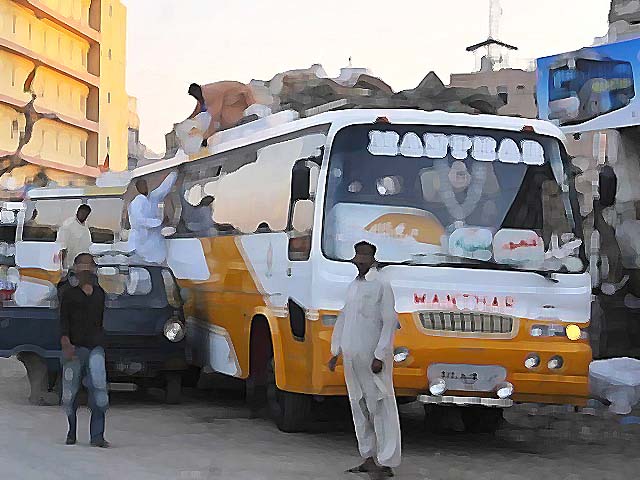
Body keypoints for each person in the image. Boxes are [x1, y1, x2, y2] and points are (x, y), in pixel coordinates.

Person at [328, 241, 401, 479]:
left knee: (379, 406)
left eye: (364, 258)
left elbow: (389, 322)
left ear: (372, 260)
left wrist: (380, 355)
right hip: (352, 356)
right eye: (357, 258)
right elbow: (343, 318)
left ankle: (385, 461)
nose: (360, 262)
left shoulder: (381, 285)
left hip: (372, 359)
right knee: (358, 405)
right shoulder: (353, 286)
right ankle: (368, 457)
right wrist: (335, 351)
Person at [60, 253, 109, 447]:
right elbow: (63, 321)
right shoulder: (68, 294)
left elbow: (100, 322)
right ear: (75, 269)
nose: (86, 269)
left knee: (100, 392)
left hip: (96, 348)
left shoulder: (99, 294)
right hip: (74, 348)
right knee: (69, 395)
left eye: (89, 265)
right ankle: (71, 432)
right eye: (82, 265)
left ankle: (97, 437)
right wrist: (66, 344)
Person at [128, 172, 178, 264]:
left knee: (158, 268)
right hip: (143, 245)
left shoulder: (153, 197)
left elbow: (164, 188)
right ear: (137, 188)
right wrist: (159, 222)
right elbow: (139, 221)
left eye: (144, 185)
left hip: (155, 244)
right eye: (141, 186)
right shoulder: (136, 202)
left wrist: (174, 173)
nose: (144, 188)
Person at [187, 81, 257, 146]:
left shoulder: (211, 93)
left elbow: (215, 118)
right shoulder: (202, 95)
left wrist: (206, 138)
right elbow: (196, 111)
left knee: (225, 122)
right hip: (237, 99)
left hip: (242, 100)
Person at [56, 205, 92, 271]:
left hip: (83, 265)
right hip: (70, 266)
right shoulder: (68, 225)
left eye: (86, 214)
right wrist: (61, 268)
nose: (83, 215)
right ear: (77, 211)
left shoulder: (85, 226)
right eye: (82, 212)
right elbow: (62, 247)